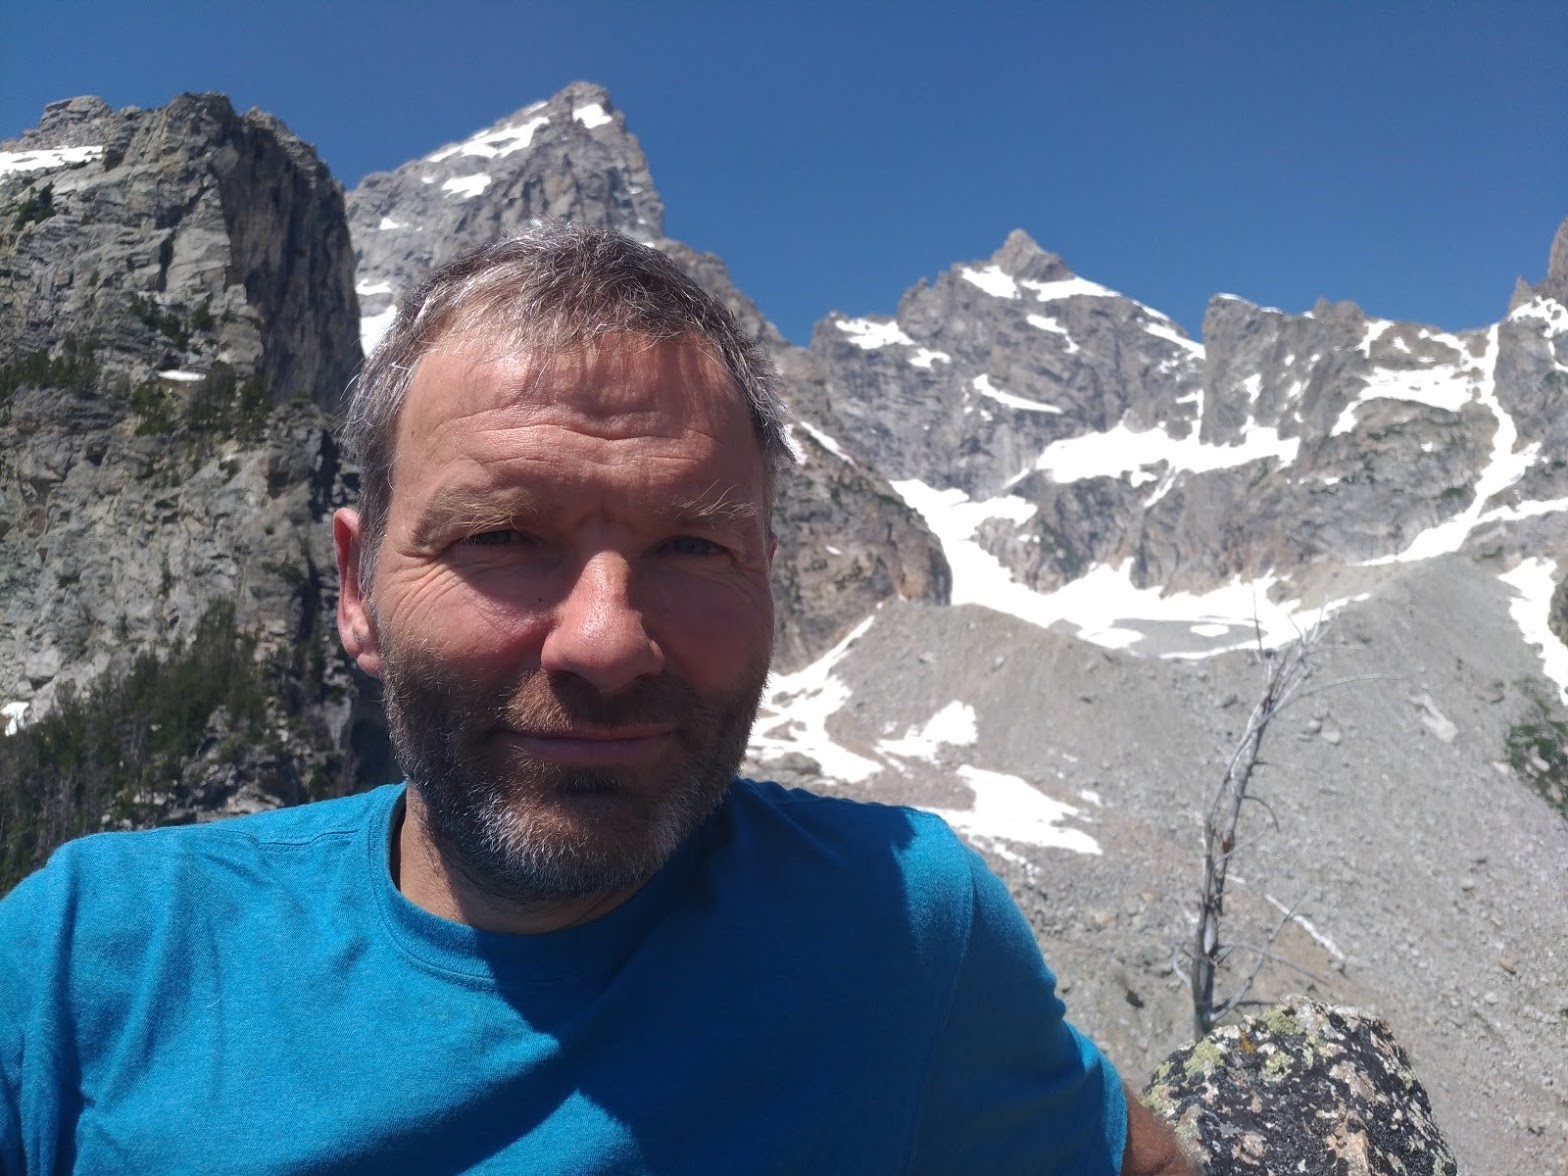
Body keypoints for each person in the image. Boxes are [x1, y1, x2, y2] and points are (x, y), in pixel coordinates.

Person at [0, 226, 1192, 1174]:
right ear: (355, 586)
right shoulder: (91, 955)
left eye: (691, 548)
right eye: (504, 535)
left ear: (773, 575)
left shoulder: (901, 924)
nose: (607, 642)